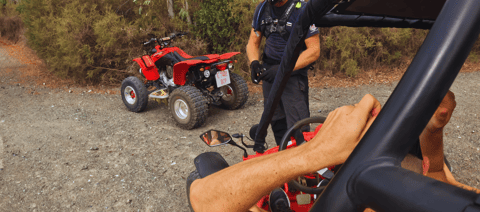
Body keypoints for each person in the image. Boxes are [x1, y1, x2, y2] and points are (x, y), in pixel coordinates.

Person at [189, 91, 480, 212]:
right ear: (425, 166)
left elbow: (204, 198)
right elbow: (441, 176)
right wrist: (434, 129)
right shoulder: (452, 202)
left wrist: (313, 153)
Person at [246, 0, 320, 146]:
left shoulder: (302, 10)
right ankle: (282, 157)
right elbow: (253, 42)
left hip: (293, 75)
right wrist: (254, 63)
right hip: (270, 73)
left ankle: (303, 169)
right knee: (276, 120)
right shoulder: (262, 9)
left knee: (298, 125)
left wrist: (283, 70)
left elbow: (313, 51)